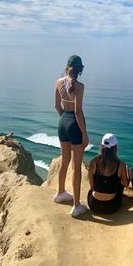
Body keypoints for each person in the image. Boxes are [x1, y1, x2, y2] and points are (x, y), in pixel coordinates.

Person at [54, 55, 89, 217]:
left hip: (62, 123)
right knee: (76, 166)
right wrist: (84, 133)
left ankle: (60, 193)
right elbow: (78, 111)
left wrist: (64, 119)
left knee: (65, 160)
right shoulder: (80, 87)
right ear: (79, 69)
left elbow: (56, 105)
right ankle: (76, 205)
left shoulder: (59, 82)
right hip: (74, 124)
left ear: (67, 66)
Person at [87, 133, 129, 215]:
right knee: (120, 185)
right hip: (111, 207)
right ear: (115, 147)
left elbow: (92, 186)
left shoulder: (93, 161)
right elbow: (126, 184)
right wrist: (129, 176)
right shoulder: (121, 164)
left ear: (101, 146)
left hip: (94, 205)